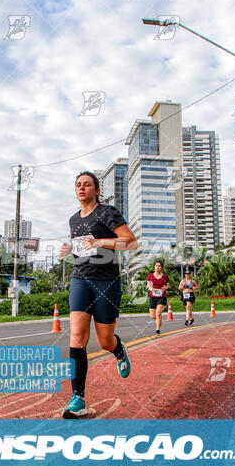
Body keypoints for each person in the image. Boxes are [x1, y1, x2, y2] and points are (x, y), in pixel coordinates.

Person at [59, 171, 138, 419]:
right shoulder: (73, 219)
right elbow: (82, 250)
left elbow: (130, 242)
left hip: (106, 281)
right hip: (80, 278)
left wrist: (101, 242)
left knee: (104, 340)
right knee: (77, 336)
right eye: (78, 185)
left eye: (87, 185)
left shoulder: (107, 212)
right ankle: (78, 398)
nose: (82, 188)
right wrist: (69, 249)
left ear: (96, 190)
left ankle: (118, 350)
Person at [147, 261, 170, 337]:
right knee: (153, 316)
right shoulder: (150, 275)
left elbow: (167, 286)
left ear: (162, 267)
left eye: (159, 266)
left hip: (161, 296)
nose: (157, 267)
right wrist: (151, 288)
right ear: (154, 266)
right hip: (153, 296)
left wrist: (165, 288)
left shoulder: (165, 276)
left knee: (158, 313)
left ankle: (157, 330)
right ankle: (159, 318)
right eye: (156, 265)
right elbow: (148, 285)